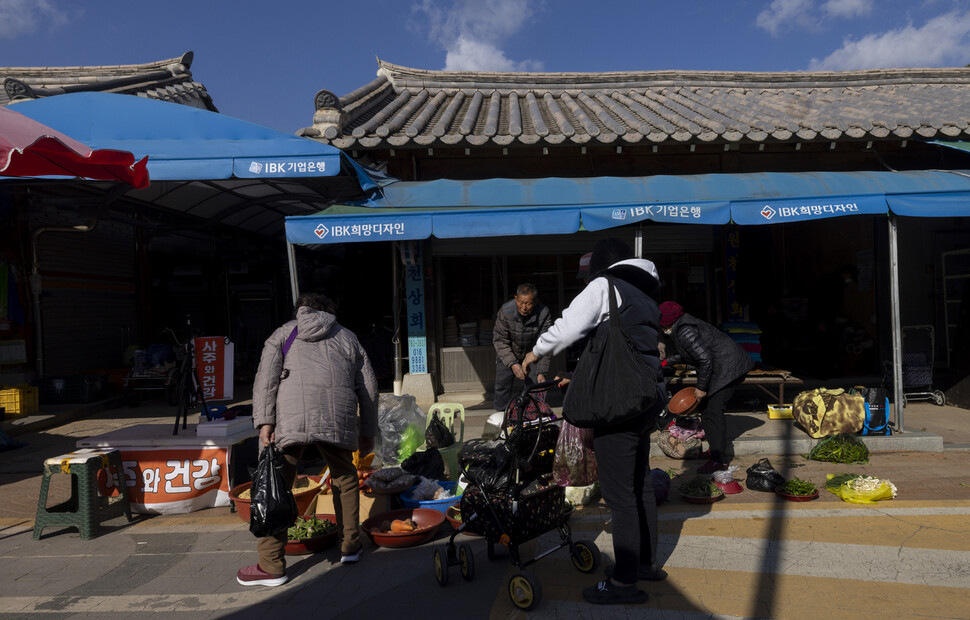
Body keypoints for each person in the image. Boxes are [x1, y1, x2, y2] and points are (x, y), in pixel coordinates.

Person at [522, 237, 666, 606]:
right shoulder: (645, 296)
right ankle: (645, 564)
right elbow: (622, 348)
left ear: (602, 267)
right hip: (644, 400)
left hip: (617, 405)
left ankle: (623, 582)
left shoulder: (605, 286)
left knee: (620, 496)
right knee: (640, 485)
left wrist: (536, 351)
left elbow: (570, 327)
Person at [237, 292, 378, 587]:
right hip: (336, 416)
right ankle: (350, 545)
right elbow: (368, 388)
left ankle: (272, 565)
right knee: (345, 477)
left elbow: (265, 381)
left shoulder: (283, 334)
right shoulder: (347, 337)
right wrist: (367, 431)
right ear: (330, 310)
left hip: (290, 417)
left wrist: (265, 422)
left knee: (275, 483)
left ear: (300, 309)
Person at [659, 301, 753, 473]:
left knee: (713, 411)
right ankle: (713, 450)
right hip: (721, 366)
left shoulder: (684, 330)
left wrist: (701, 387)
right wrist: (665, 362)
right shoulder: (682, 326)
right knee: (705, 409)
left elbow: (704, 359)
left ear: (666, 322)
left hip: (728, 368)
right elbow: (688, 353)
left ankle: (720, 461)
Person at [490, 283, 552, 418]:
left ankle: (532, 416)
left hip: (532, 353)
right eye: (521, 302)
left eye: (528, 304)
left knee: (535, 385)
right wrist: (512, 363)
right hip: (508, 351)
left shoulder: (543, 313)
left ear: (536, 301)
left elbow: (546, 343)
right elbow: (500, 340)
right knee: (502, 385)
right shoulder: (506, 311)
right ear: (516, 299)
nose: (524, 307)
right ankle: (501, 416)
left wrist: (542, 371)